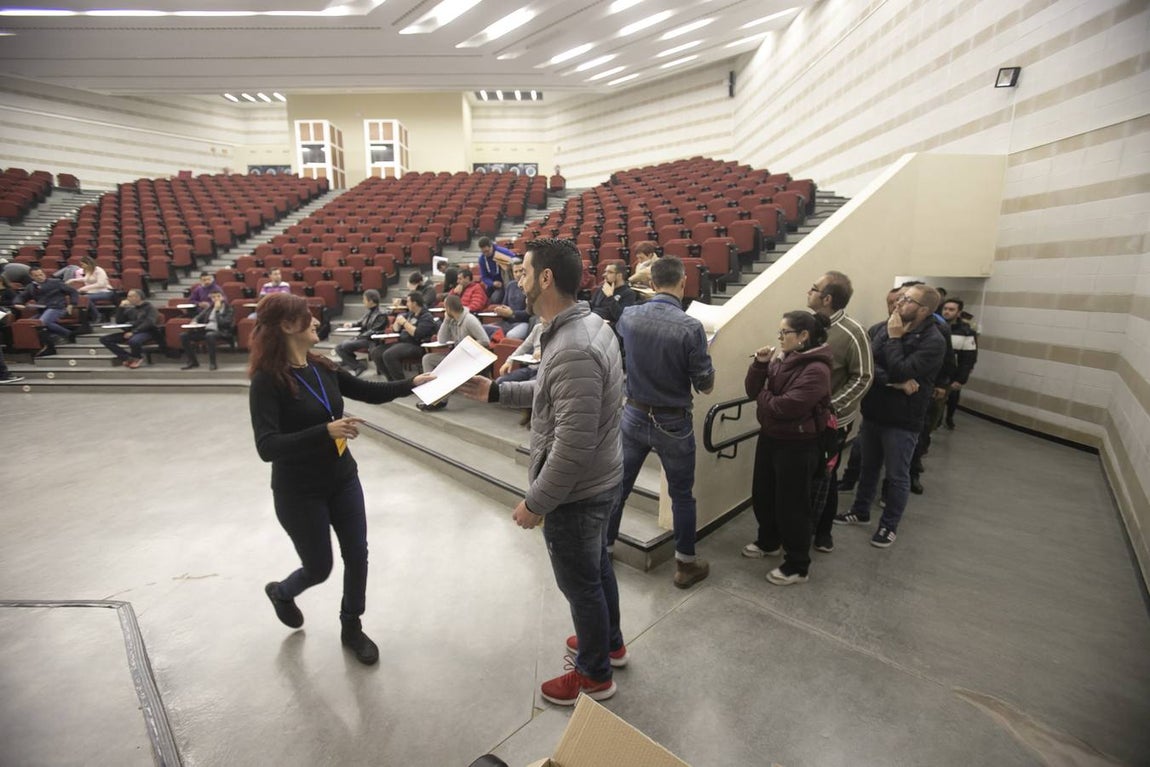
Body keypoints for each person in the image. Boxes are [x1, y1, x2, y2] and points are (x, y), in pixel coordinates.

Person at [459, 237, 626, 706]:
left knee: (580, 584)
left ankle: (595, 675)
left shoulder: (573, 345)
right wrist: (495, 393)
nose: (520, 280)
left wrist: (536, 503)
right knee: (595, 572)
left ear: (547, 278)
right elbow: (552, 391)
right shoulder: (586, 324)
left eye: (526, 272)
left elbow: (572, 445)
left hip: (579, 490)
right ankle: (608, 643)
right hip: (599, 479)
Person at [249, 292, 432, 666]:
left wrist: (417, 382)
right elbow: (267, 446)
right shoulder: (267, 381)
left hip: (342, 478)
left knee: (358, 555)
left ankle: (352, 626)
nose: (316, 322)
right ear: (287, 326)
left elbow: (369, 391)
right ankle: (282, 592)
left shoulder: (322, 367)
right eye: (307, 316)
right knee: (319, 568)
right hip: (299, 491)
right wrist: (325, 431)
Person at [606, 256, 715, 588]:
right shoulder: (691, 327)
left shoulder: (630, 315)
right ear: (683, 283)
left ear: (652, 284)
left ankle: (605, 549)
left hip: (634, 414)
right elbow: (704, 383)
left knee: (618, 489)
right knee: (681, 495)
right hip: (673, 421)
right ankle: (684, 566)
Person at [834, 284, 946, 548]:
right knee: (868, 466)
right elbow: (869, 365)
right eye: (901, 298)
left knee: (897, 475)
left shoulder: (933, 340)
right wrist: (891, 383)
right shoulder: (883, 327)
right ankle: (860, 511)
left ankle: (888, 526)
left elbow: (902, 369)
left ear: (924, 310)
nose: (899, 303)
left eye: (907, 300)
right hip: (874, 411)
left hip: (903, 420)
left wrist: (895, 341)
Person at [743, 311, 833, 585]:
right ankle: (769, 541)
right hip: (771, 436)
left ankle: (797, 565)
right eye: (779, 332)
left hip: (799, 444)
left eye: (785, 333)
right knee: (763, 492)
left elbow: (786, 407)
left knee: (792, 505)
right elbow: (751, 391)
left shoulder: (817, 369)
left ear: (803, 336)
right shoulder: (782, 359)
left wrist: (765, 396)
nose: (780, 338)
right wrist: (760, 365)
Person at [799, 271, 873, 554]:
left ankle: (823, 531)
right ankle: (802, 529)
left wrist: (831, 408)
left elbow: (863, 377)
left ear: (827, 298)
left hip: (832, 423)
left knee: (825, 479)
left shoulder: (853, 333)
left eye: (813, 288)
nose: (809, 292)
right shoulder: (805, 325)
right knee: (806, 477)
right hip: (802, 420)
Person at [417, 293, 489, 411]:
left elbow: (485, 340)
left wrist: (466, 349)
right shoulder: (451, 320)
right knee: (428, 358)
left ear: (448, 308)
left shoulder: (470, 320)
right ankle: (430, 395)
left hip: (471, 359)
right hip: (457, 357)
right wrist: (445, 320)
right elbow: (442, 339)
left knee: (450, 368)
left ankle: (439, 400)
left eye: (445, 308)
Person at [13, 266, 79, 356]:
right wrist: (17, 303)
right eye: (37, 276)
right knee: (30, 324)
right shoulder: (31, 287)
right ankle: (46, 343)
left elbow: (73, 292)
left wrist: (72, 304)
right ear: (32, 277)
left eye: (41, 274)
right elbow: (21, 297)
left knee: (43, 322)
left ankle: (69, 334)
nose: (40, 277)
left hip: (57, 307)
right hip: (42, 310)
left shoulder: (56, 282)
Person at [372, 291, 436, 381]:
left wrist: (404, 322)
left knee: (389, 354)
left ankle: (400, 383)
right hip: (403, 342)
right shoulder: (410, 314)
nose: (407, 304)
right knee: (376, 352)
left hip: (416, 345)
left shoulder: (426, 316)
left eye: (408, 301)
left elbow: (417, 333)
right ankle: (390, 380)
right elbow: (395, 330)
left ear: (414, 303)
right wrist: (397, 322)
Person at [941, 298, 978, 429]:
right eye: (945, 309)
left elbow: (968, 358)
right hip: (936, 372)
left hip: (953, 373)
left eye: (951, 310)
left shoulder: (966, 332)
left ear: (958, 312)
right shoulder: (935, 327)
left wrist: (961, 379)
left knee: (952, 397)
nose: (947, 312)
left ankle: (949, 418)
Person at [99, 288, 159, 368]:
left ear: (138, 297)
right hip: (131, 331)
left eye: (130, 296)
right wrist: (121, 308)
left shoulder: (150, 308)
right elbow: (119, 321)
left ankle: (137, 357)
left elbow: (149, 322)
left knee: (133, 340)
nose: (128, 299)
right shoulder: (130, 309)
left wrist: (134, 332)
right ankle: (128, 357)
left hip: (147, 331)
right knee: (105, 339)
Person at [334, 289, 388, 377]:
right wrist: (350, 325)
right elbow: (360, 323)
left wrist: (359, 337)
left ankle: (355, 364)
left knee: (346, 345)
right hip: (364, 338)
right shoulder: (369, 312)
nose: (363, 301)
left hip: (372, 340)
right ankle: (358, 365)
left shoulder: (381, 314)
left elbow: (375, 330)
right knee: (338, 348)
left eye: (364, 299)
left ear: (371, 301)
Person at [180, 290, 234, 370]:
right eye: (213, 297)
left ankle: (213, 363)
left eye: (218, 296)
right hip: (206, 329)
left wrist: (217, 311)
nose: (216, 299)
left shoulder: (229, 308)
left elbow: (224, 323)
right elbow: (199, 316)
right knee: (184, 336)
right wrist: (194, 321)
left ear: (223, 297)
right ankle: (193, 361)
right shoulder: (210, 308)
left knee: (210, 335)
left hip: (221, 331)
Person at [484, 261, 531, 340]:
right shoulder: (510, 285)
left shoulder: (530, 286)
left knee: (511, 335)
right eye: (515, 272)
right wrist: (500, 311)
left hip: (523, 323)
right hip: (507, 323)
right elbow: (504, 305)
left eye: (521, 271)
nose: (518, 274)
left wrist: (512, 314)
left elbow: (530, 313)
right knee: (483, 330)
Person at [72, 256, 115, 320]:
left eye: (83, 264)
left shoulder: (99, 270)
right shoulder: (88, 271)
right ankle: (87, 317)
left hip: (105, 292)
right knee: (79, 297)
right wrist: (73, 280)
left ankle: (98, 316)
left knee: (85, 298)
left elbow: (101, 284)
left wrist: (85, 288)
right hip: (93, 292)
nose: (81, 266)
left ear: (88, 263)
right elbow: (86, 280)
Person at [477, 236, 515, 304]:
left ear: (491, 246)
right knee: (482, 298)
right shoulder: (482, 259)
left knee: (495, 299)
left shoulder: (502, 252)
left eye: (487, 251)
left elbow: (516, 261)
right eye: (483, 252)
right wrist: (492, 283)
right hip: (493, 284)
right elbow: (484, 277)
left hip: (506, 282)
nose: (486, 254)